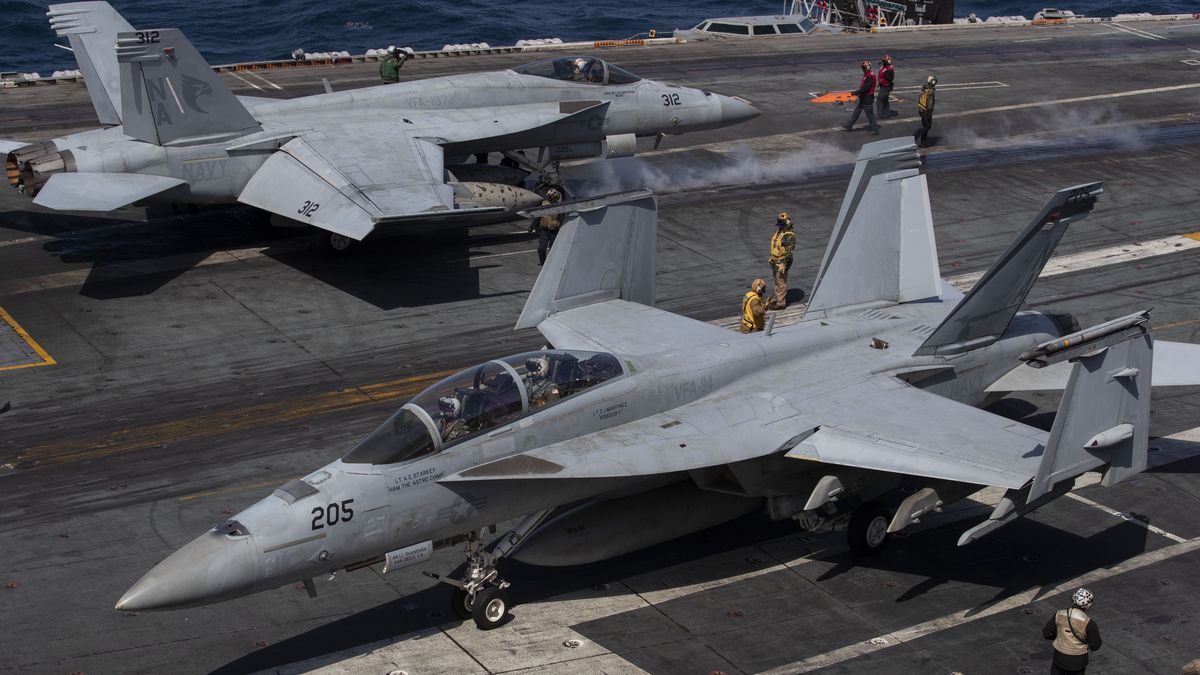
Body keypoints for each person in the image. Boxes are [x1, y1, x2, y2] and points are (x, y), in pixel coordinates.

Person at [1043, 588, 1102, 674]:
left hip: (1059, 658)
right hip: (1078, 662)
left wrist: (1059, 636)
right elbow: (1096, 645)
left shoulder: (1059, 614)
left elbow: (1046, 633)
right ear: (1088, 605)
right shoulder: (1089, 623)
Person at [767, 212, 796, 309]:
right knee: (776, 281)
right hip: (775, 261)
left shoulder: (789, 235)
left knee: (781, 282)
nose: (780, 226)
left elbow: (789, 252)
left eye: (782, 224)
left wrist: (784, 264)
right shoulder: (779, 231)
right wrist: (772, 257)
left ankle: (781, 303)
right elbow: (776, 247)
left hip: (782, 262)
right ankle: (777, 299)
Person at [843, 61, 879, 134]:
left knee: (869, 114)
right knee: (857, 110)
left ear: (868, 68)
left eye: (864, 67)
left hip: (867, 97)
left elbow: (865, 88)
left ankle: (874, 130)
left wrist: (855, 93)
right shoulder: (867, 74)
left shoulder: (870, 76)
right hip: (864, 96)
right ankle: (849, 125)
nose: (863, 69)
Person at [533, 188, 564, 265]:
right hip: (544, 231)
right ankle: (543, 263)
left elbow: (561, 217)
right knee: (541, 249)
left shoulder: (558, 206)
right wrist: (532, 226)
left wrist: (561, 227)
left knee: (553, 249)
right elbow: (538, 215)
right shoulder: (543, 204)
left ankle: (552, 264)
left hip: (554, 231)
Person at [913, 74, 937, 148]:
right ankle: (915, 136)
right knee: (927, 126)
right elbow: (930, 104)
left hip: (921, 109)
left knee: (925, 126)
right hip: (926, 111)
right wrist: (930, 112)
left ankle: (924, 142)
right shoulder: (931, 91)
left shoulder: (924, 88)